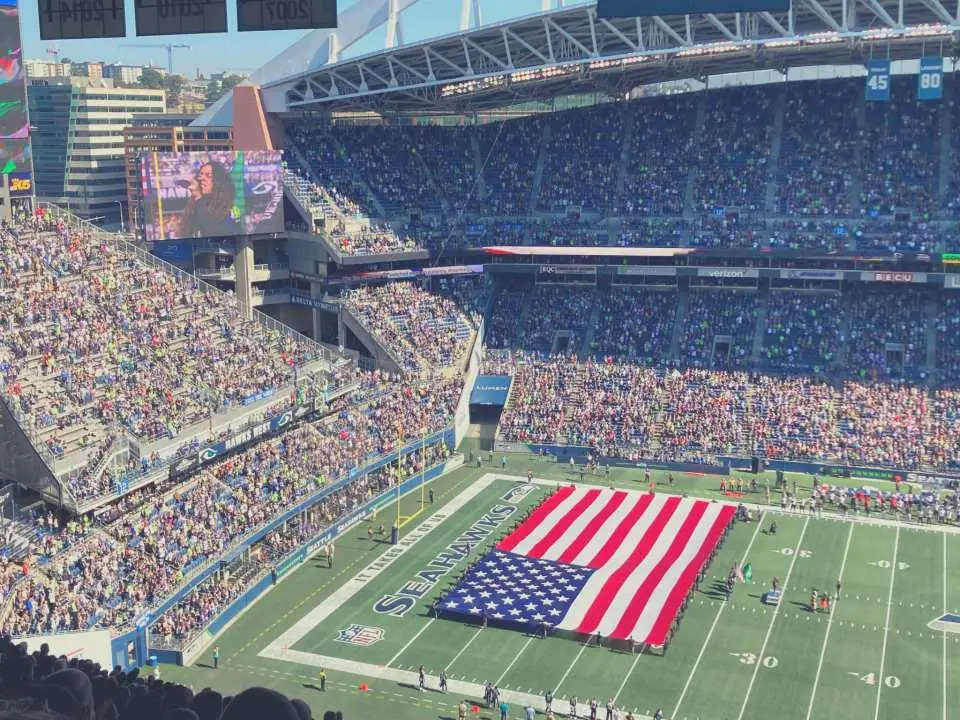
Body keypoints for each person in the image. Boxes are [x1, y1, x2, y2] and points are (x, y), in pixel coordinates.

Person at [178, 160, 240, 238]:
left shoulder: (228, 207)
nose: (202, 179)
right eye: (201, 175)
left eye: (208, 176)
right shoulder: (195, 205)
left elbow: (214, 233)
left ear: (218, 181)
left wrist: (198, 196)